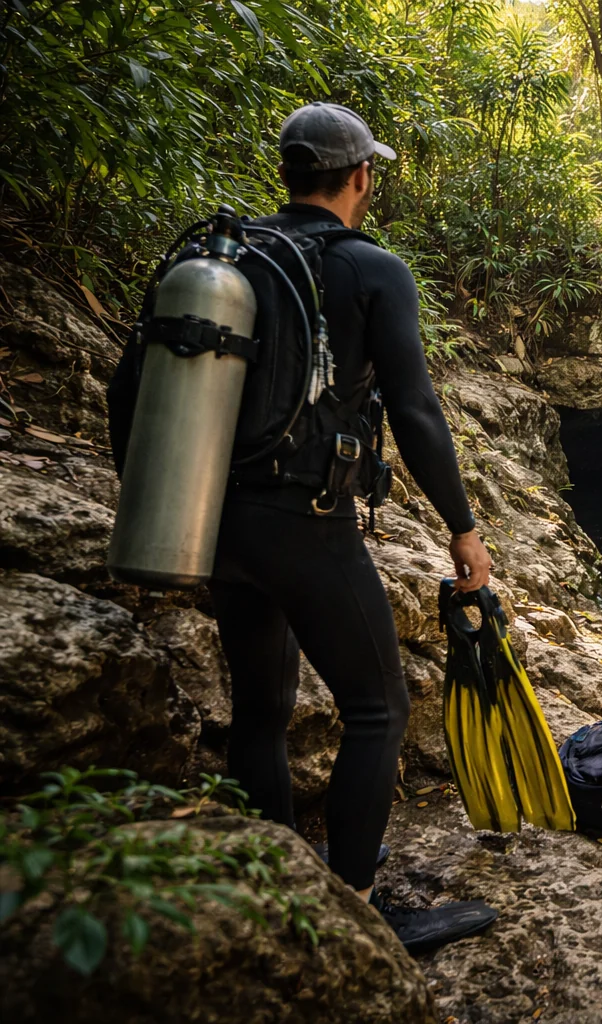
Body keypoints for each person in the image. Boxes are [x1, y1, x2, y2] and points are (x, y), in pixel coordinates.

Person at [115, 103, 498, 952]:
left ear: (288, 174)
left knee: (261, 708)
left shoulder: (231, 259)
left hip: (213, 518)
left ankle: (276, 882)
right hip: (305, 522)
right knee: (378, 709)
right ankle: (355, 910)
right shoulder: (371, 269)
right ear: (361, 175)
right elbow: (416, 410)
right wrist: (463, 528)